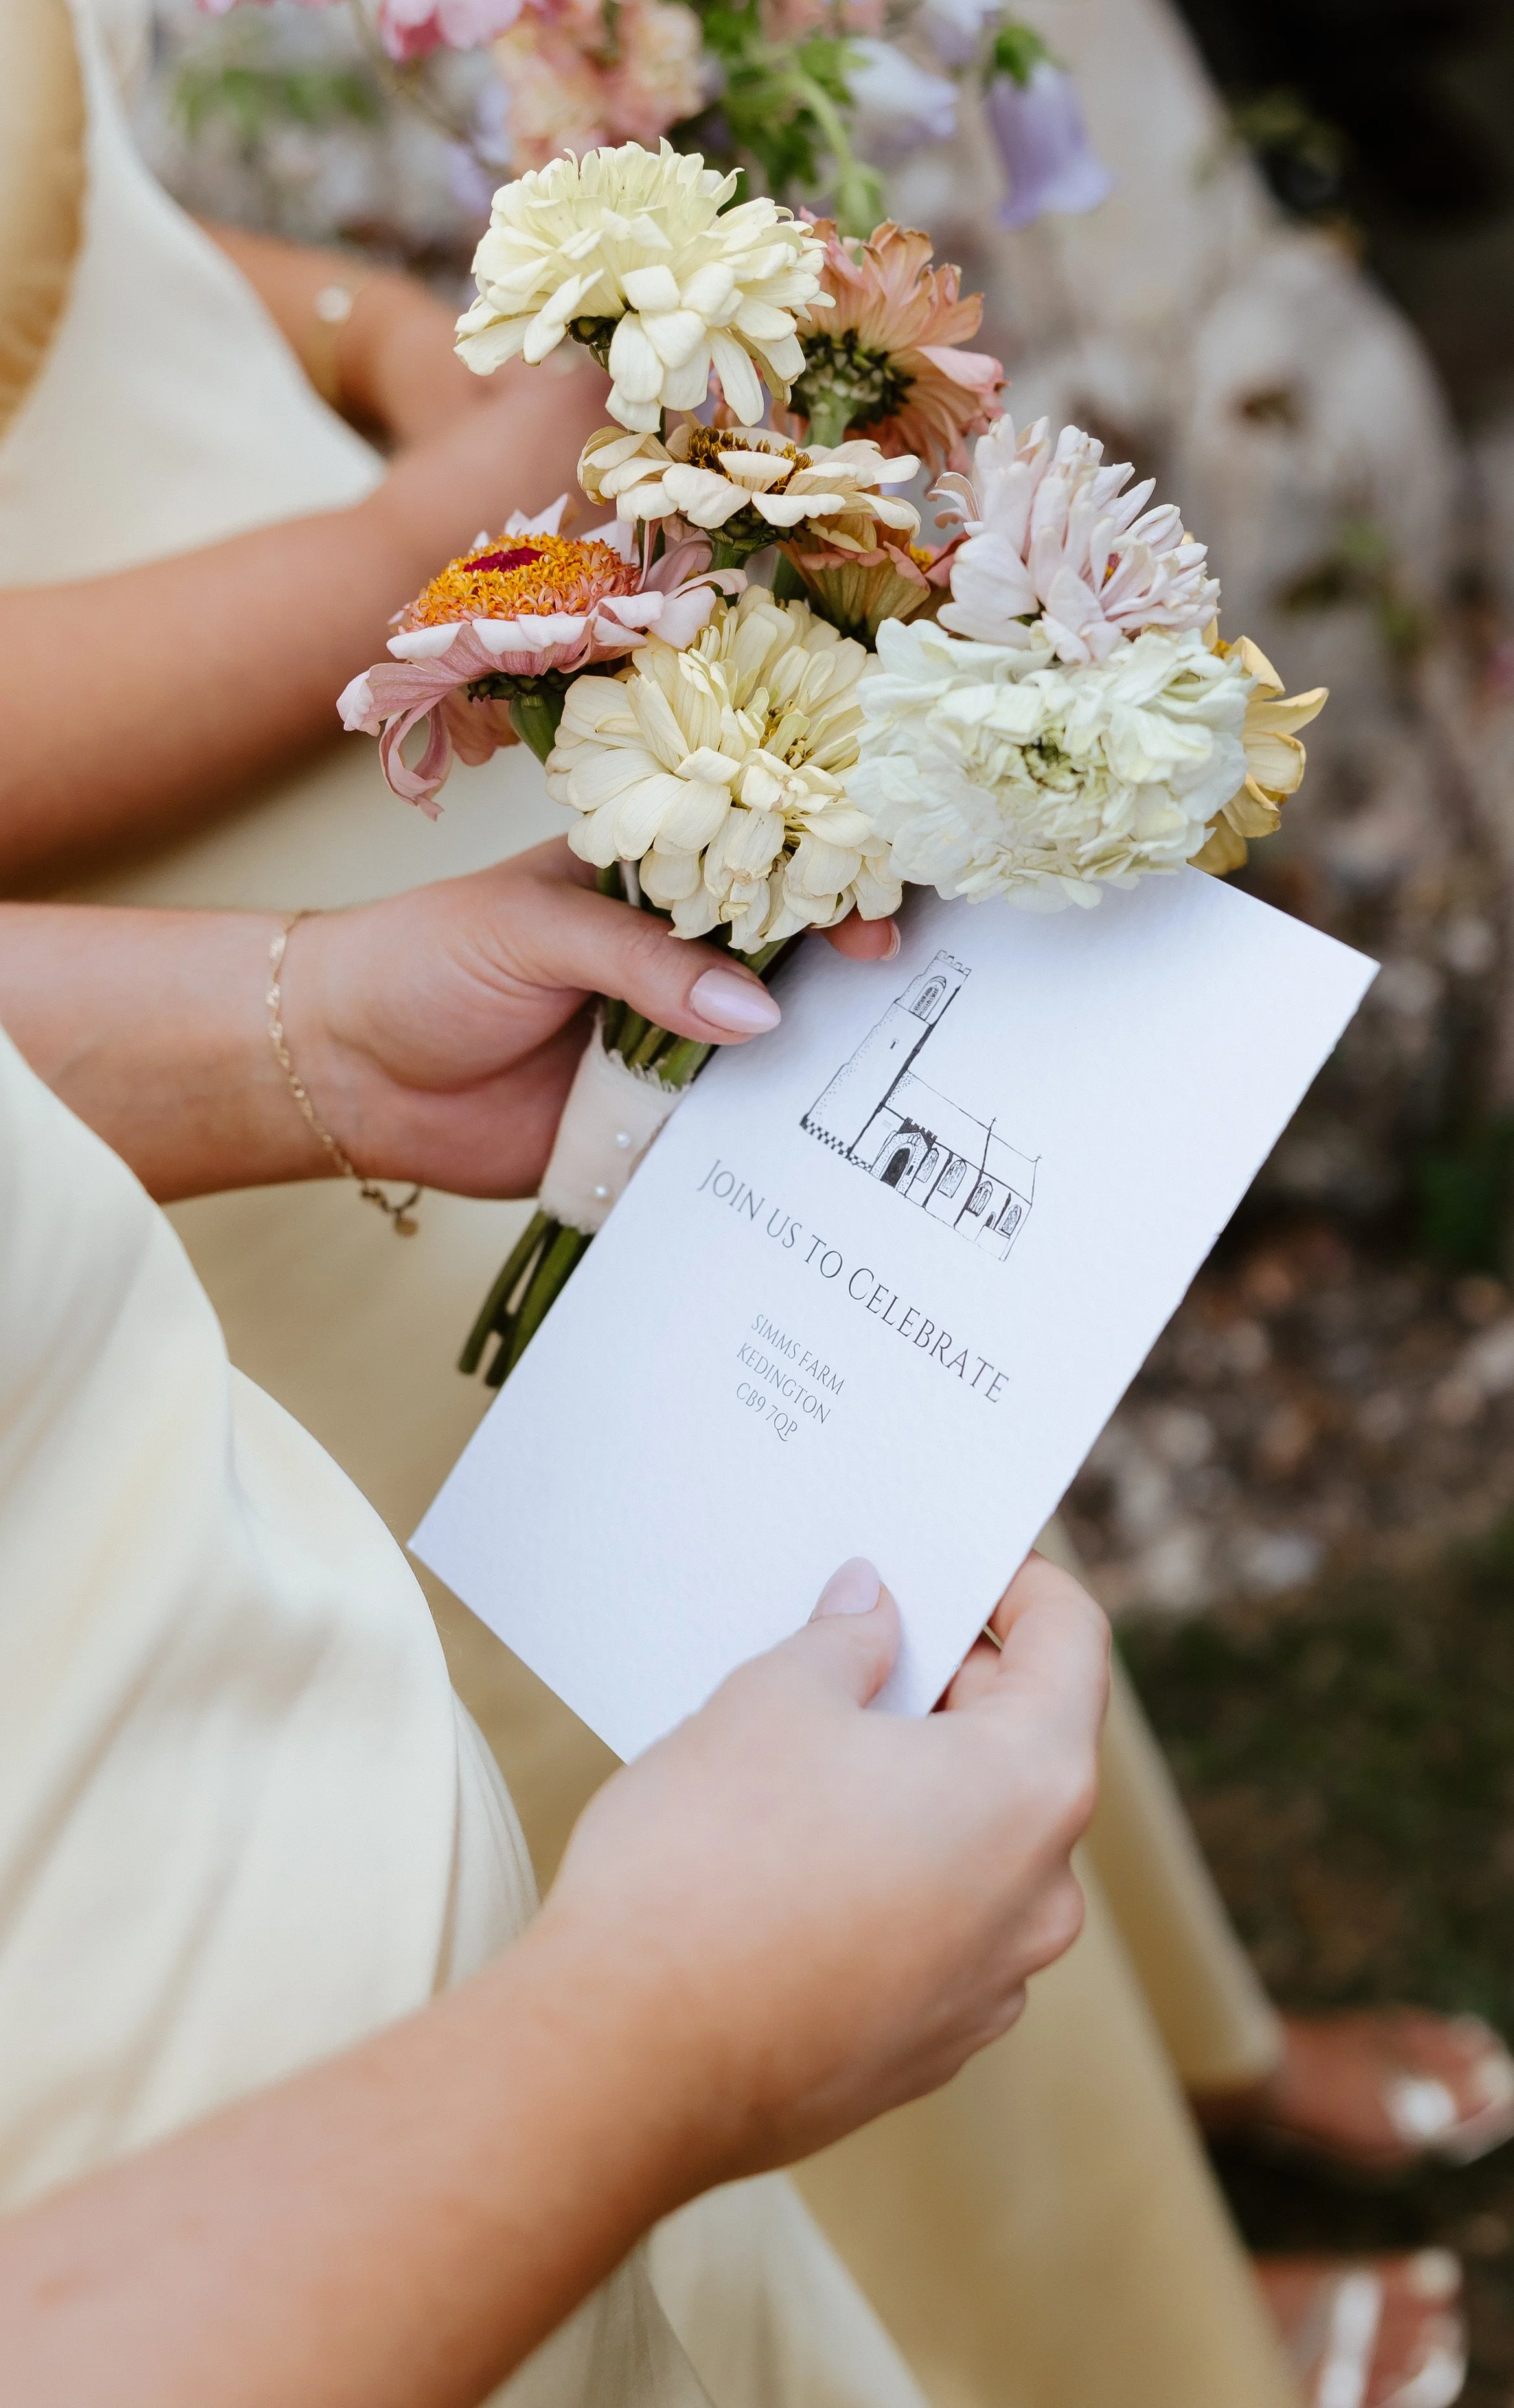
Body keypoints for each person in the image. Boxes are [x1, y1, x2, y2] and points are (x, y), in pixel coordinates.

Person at [0, 0, 1514, 2398]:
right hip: (209, 784)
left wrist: (377, 352)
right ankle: (1107, 2343)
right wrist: (411, 551)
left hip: (369, 812)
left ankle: (1171, 2121)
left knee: (890, 1459)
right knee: (672, 1673)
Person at [0, 853, 1110, 2405]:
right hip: (387, 2223)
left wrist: (310, 1034)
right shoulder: (639, 2043)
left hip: (517, 2098)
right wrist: (663, 2034)